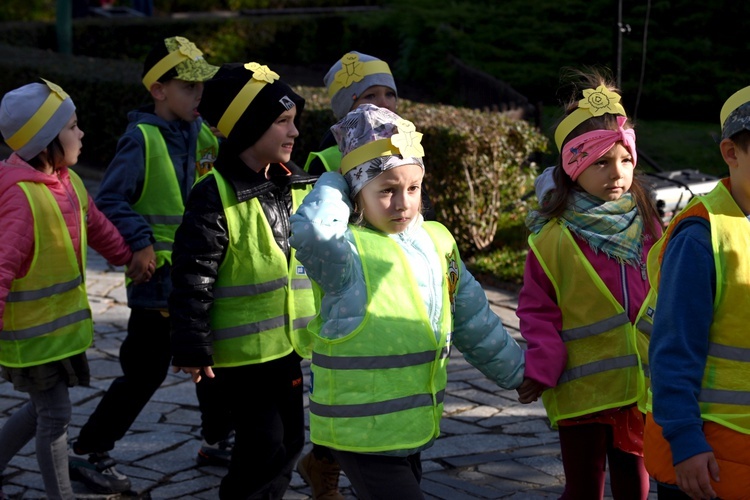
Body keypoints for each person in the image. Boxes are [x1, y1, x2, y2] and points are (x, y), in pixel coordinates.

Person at [289, 103, 525, 499]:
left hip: (410, 423)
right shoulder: (345, 254)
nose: (403, 203)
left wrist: (517, 372)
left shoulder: (437, 241)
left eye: (413, 188)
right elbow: (312, 231)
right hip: (360, 429)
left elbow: (471, 317)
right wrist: (332, 179)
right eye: (386, 190)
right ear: (354, 193)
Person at [69, 36, 232, 494]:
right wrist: (140, 243)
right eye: (189, 88)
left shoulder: (203, 136)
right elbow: (110, 200)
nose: (199, 96)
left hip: (198, 278)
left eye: (202, 88)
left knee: (210, 357)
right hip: (154, 282)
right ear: (158, 89)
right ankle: (87, 452)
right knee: (144, 373)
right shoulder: (140, 139)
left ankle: (218, 439)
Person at [169, 61, 317, 500]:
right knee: (263, 444)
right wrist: (192, 345)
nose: (293, 133)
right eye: (282, 122)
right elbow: (193, 275)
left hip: (286, 348)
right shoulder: (213, 195)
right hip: (239, 358)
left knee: (290, 441)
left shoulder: (298, 187)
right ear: (249, 125)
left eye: (295, 122)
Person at [515, 71, 661, 499]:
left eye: (626, 159)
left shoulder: (650, 226)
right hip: (581, 388)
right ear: (574, 166)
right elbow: (535, 308)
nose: (617, 173)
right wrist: (542, 364)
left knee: (636, 484)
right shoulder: (553, 238)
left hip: (638, 385)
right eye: (601, 162)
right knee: (584, 487)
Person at [0, 79, 136, 499]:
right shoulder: (22, 198)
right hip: (32, 338)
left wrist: (130, 256)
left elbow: (97, 227)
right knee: (55, 416)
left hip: (56, 335)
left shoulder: (69, 182)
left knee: (42, 410)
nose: (81, 133)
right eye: (72, 126)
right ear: (45, 143)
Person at [644, 86, 750, 499]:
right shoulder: (702, 236)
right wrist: (686, 441)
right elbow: (673, 348)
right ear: (731, 152)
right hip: (709, 461)